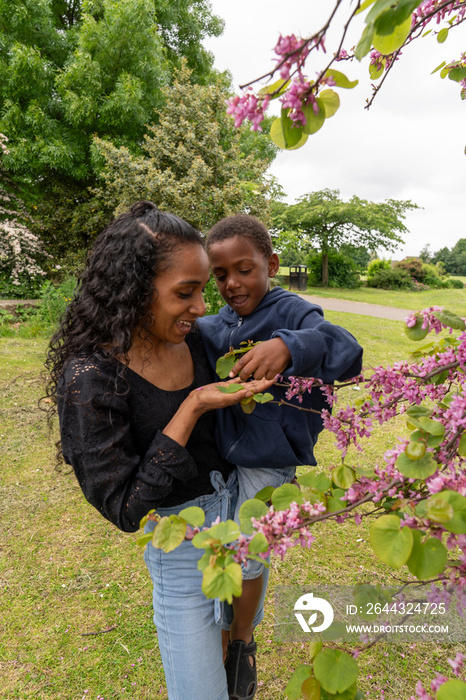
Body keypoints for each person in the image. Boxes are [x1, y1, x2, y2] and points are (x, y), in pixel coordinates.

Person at [44, 201, 275, 700]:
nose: (200, 307)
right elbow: (125, 508)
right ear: (133, 292)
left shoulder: (195, 340)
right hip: (182, 554)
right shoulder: (92, 378)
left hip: (240, 513)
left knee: (241, 620)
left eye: (202, 290)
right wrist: (190, 408)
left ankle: (241, 643)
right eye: (185, 293)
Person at [198, 213, 363, 700]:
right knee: (223, 553)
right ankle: (226, 637)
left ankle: (241, 643)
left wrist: (287, 348)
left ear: (270, 264)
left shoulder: (292, 311)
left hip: (268, 458)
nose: (232, 283)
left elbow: (346, 350)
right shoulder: (215, 326)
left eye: (245, 269)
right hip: (220, 462)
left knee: (248, 556)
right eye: (221, 274)